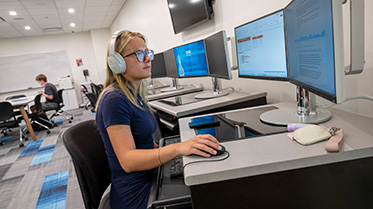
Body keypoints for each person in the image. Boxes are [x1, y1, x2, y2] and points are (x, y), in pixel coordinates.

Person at [95, 30, 222, 209]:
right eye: (139, 54)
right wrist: (177, 148)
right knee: (209, 191)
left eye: (148, 53)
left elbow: (140, 141)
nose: (148, 59)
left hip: (149, 176)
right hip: (136, 193)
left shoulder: (133, 94)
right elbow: (128, 161)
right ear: (117, 63)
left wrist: (170, 147)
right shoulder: (114, 99)